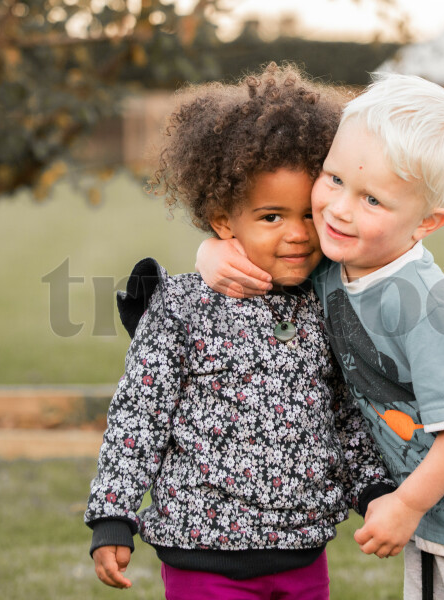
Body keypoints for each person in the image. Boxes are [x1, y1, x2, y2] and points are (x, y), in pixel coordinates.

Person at [196, 73, 444, 599]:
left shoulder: (423, 303)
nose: (338, 209)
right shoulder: (334, 265)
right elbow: (263, 259)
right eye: (333, 179)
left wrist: (406, 504)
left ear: (427, 223)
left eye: (373, 201)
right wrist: (212, 253)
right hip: (438, 527)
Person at [84, 63, 393, 600]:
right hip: (203, 553)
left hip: (302, 551)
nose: (297, 235)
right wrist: (112, 515)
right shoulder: (179, 307)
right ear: (225, 218)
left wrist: (376, 490)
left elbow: (345, 410)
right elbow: (139, 414)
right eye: (271, 217)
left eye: (308, 216)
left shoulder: (326, 304)